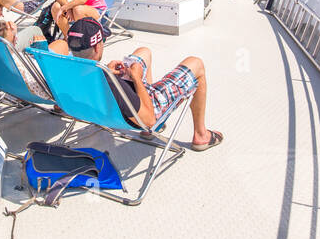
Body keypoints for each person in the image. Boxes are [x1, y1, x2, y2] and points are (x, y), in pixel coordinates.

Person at [55, 18, 222, 151]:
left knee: (144, 52)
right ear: (98, 47)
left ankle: (147, 108)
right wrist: (135, 78)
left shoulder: (65, 71)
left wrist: (110, 71)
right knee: (196, 63)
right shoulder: (110, 84)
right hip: (144, 113)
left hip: (106, 105)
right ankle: (201, 135)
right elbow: (149, 119)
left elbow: (96, 83)